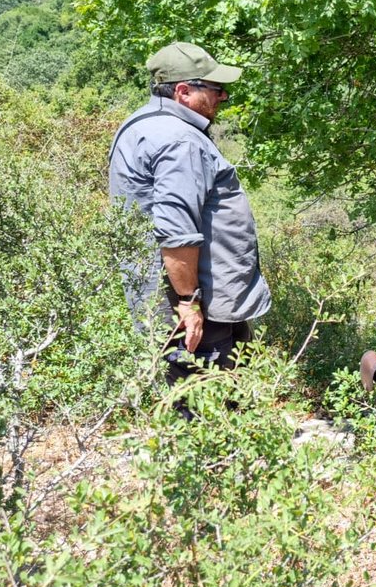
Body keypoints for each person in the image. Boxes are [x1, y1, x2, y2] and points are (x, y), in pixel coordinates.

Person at [109, 41, 272, 408]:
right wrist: (189, 302)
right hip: (197, 302)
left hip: (169, 297)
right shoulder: (180, 140)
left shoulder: (141, 124)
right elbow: (176, 231)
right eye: (214, 89)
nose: (224, 96)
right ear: (183, 91)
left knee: (191, 396)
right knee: (211, 404)